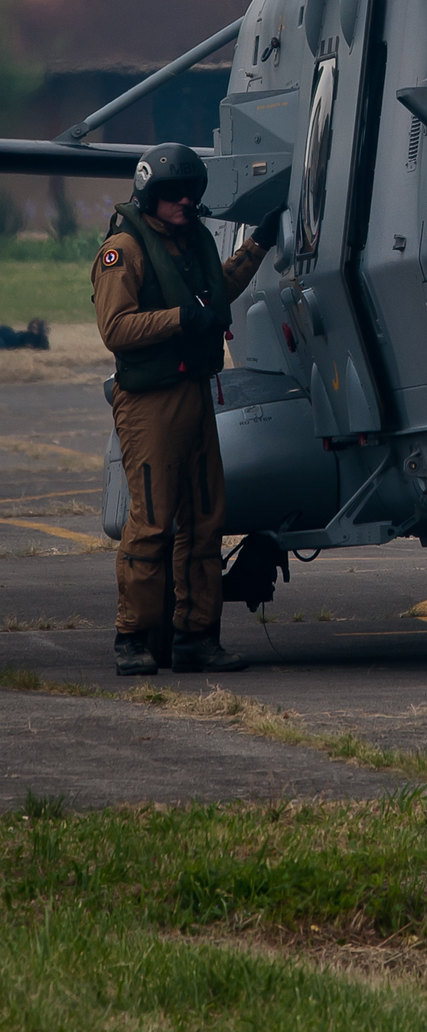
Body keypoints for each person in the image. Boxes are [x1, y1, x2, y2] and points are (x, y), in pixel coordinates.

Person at [92, 143, 281, 677]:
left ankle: (197, 634)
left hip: (197, 391)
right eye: (173, 194)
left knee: (204, 519)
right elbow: (116, 328)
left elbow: (215, 293)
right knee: (152, 522)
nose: (184, 203)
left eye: (191, 194)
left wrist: (259, 244)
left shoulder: (192, 239)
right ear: (149, 194)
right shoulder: (123, 250)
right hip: (149, 401)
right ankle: (132, 636)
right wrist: (180, 319)